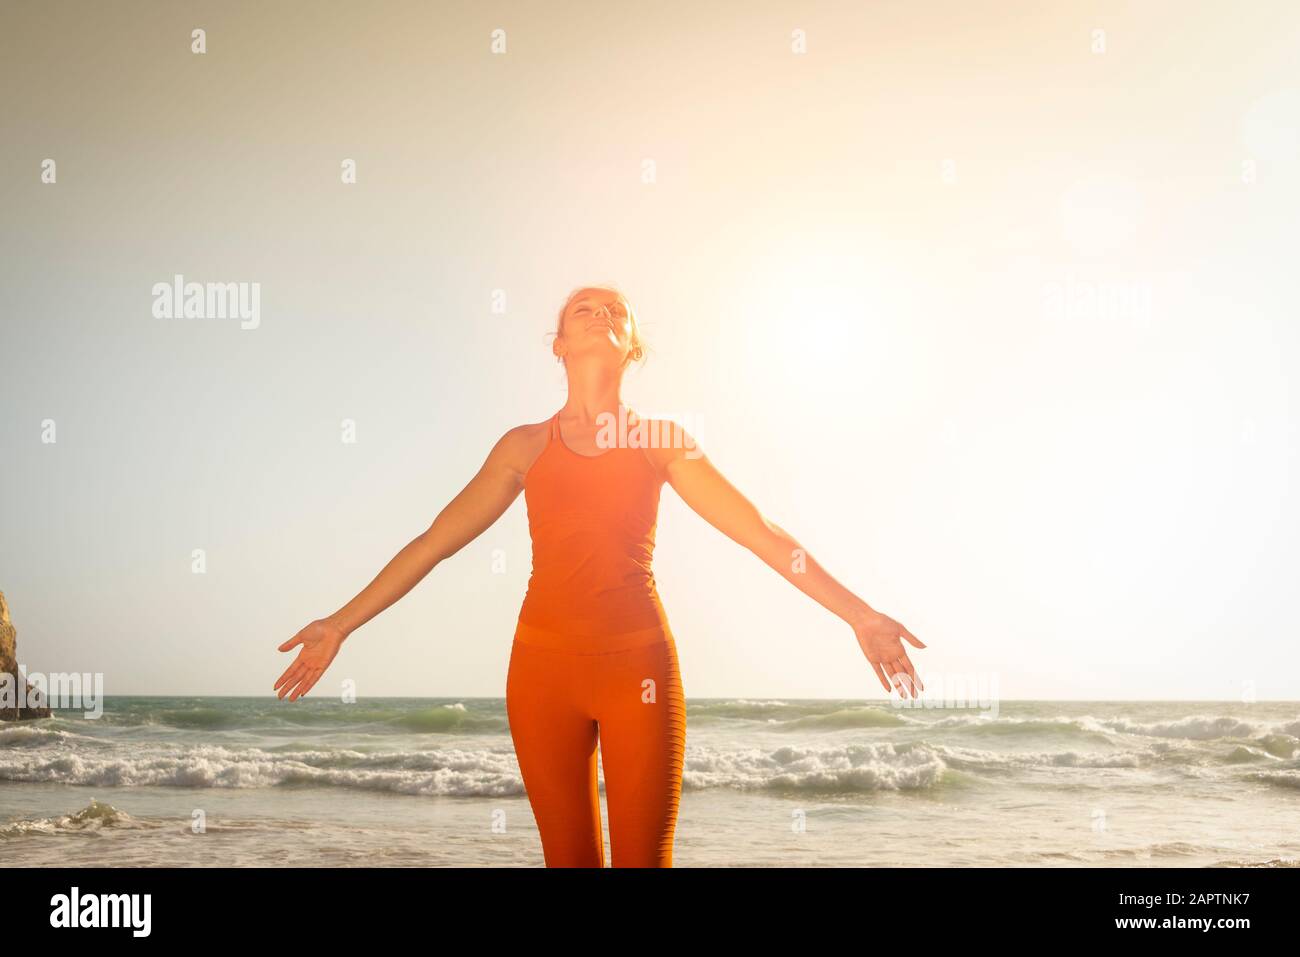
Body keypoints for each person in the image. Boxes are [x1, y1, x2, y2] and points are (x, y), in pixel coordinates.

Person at [274, 284, 925, 867]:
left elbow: (761, 532)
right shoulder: (523, 446)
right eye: (583, 309)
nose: (600, 313)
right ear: (559, 344)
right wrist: (339, 623)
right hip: (541, 674)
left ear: (631, 344)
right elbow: (433, 542)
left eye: (615, 310)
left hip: (637, 668)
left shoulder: (662, 440)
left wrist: (859, 614)